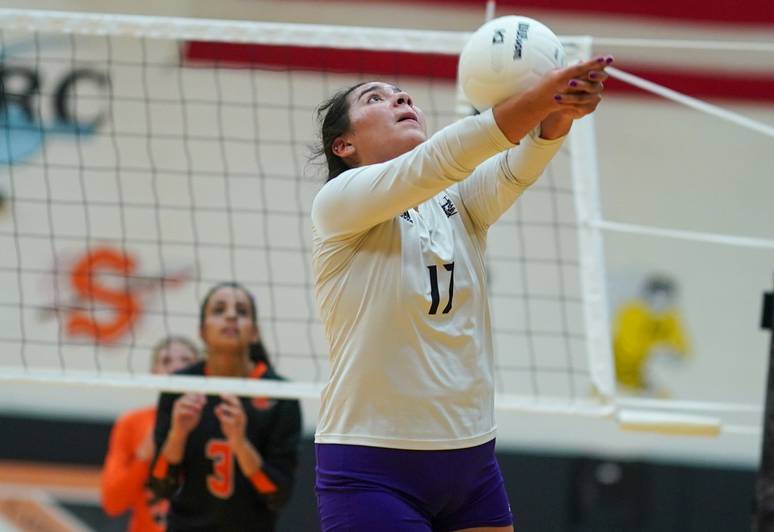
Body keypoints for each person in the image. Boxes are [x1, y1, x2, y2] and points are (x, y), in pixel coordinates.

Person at [311, 56, 612, 531]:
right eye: (376, 97)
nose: (401, 98)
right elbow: (443, 158)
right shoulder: (339, 204)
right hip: (373, 464)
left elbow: (517, 168)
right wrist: (537, 99)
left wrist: (555, 120)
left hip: (470, 461)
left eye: (401, 93)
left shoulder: (457, 201)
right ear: (343, 144)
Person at [148, 282, 302, 532]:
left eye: (241, 311)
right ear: (202, 331)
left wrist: (240, 443)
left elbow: (278, 495)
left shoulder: (280, 395)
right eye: (219, 310)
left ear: (254, 332)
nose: (231, 315)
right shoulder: (179, 386)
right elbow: (160, 486)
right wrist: (178, 433)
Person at [101, 337, 200, 532]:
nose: (177, 368)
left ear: (201, 372)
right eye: (166, 361)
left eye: (186, 361)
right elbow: (112, 503)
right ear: (154, 374)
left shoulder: (215, 422)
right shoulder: (132, 423)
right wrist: (143, 456)